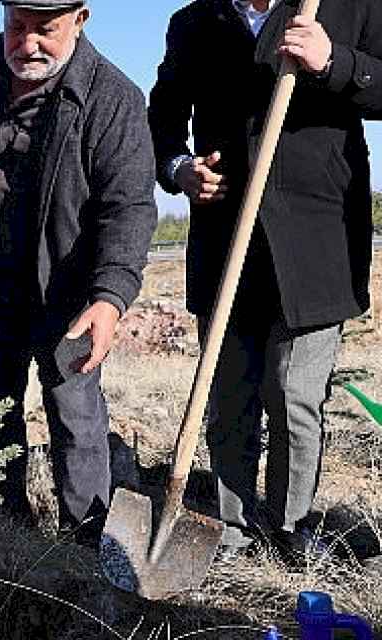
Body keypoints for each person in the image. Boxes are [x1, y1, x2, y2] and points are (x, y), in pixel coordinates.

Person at [148, 0, 381, 564]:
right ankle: (227, 532)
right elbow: (164, 115)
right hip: (228, 236)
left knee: (293, 393)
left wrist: (334, 62)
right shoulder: (196, 22)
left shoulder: (351, 7)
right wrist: (180, 170)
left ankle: (289, 531)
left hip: (317, 237)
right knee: (228, 395)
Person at [0, 0, 157, 545]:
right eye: (17, 27)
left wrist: (110, 296)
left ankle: (87, 540)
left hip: (67, 290)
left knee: (75, 414)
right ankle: (2, 531)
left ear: (81, 19)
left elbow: (128, 207)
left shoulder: (114, 98)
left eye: (46, 30)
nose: (28, 44)